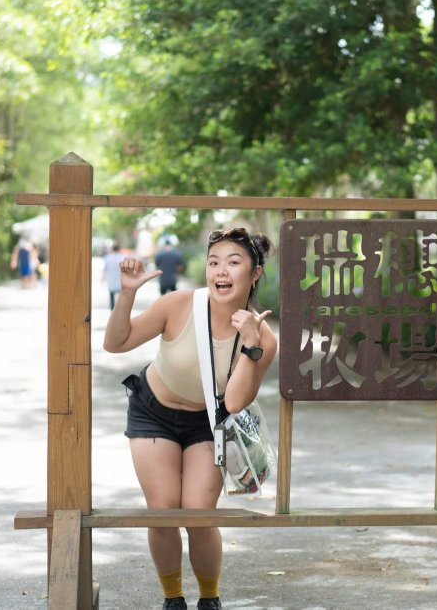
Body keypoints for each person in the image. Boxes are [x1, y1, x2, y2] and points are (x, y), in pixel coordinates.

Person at [103, 228, 277, 610]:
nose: (221, 271)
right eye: (214, 262)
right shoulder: (178, 304)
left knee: (199, 514)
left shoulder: (262, 336)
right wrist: (128, 292)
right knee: (163, 510)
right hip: (154, 414)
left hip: (209, 422)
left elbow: (233, 400)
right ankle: (173, 598)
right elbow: (115, 343)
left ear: (255, 273)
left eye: (234, 263)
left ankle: (209, 598)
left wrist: (250, 346)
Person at [102, 243, 125, 309]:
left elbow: (105, 268)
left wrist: (103, 276)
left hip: (111, 279)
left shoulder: (108, 257)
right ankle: (120, 309)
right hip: (120, 279)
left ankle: (112, 310)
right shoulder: (122, 257)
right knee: (120, 296)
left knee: (111, 296)